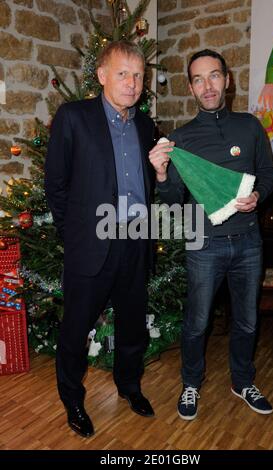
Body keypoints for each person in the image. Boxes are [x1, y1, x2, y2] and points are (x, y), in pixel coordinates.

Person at [149, 49, 273, 421]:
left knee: (247, 320)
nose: (208, 85)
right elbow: (173, 198)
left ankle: (242, 380)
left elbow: (268, 175)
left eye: (214, 76)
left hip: (249, 243)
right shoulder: (180, 139)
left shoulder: (250, 127)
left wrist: (258, 195)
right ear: (190, 87)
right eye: (199, 79)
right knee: (197, 322)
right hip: (203, 245)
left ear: (227, 79)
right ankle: (191, 383)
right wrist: (160, 174)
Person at [45, 40, 156, 438]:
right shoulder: (74, 117)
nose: (132, 82)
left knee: (133, 328)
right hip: (91, 245)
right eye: (123, 73)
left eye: (139, 75)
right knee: (76, 328)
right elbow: (55, 185)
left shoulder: (145, 124)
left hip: (135, 242)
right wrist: (73, 235)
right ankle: (72, 399)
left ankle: (129, 386)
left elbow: (150, 184)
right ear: (102, 75)